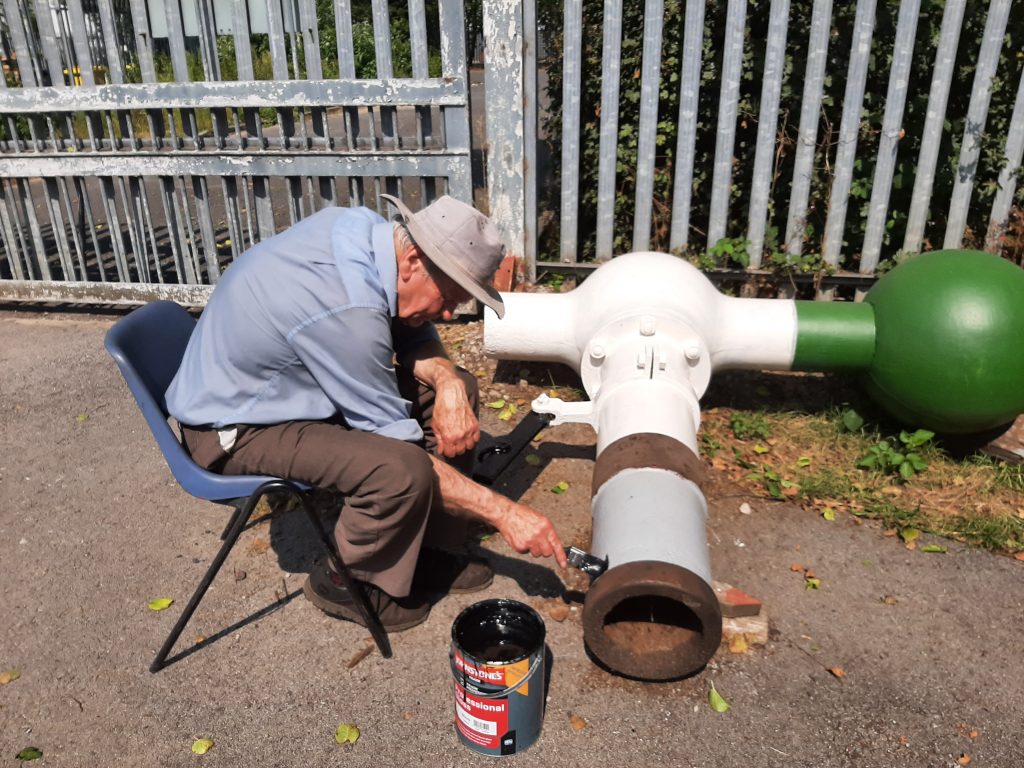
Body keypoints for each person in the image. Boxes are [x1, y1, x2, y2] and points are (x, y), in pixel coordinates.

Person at [165, 194, 567, 633]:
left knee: (457, 389)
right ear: (414, 258)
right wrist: (505, 514)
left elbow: (411, 333)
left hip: (289, 387)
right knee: (399, 469)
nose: (450, 313)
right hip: (236, 424)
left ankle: (431, 550)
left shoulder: (364, 233)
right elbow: (399, 445)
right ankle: (348, 581)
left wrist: (449, 382)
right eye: (450, 296)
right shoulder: (348, 311)